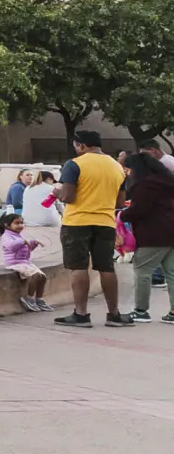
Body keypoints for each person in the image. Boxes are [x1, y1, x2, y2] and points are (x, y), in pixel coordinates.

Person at [53, 131, 132, 328]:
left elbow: (69, 197)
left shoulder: (74, 164)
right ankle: (113, 314)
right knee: (106, 267)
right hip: (105, 222)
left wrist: (58, 192)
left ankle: (81, 314)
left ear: (81, 145)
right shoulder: (117, 167)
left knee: (78, 267)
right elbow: (120, 201)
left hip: (77, 222)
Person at [119, 150, 174, 323]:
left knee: (142, 270)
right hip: (170, 230)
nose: (127, 173)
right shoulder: (166, 181)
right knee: (171, 273)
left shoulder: (145, 185)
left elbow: (140, 210)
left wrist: (122, 215)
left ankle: (141, 311)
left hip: (154, 233)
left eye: (128, 170)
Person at [1, 213, 51, 312]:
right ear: (7, 225)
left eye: (21, 223)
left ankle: (39, 299)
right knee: (36, 275)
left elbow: (26, 250)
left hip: (24, 262)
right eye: (17, 223)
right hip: (14, 263)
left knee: (42, 277)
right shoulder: (6, 236)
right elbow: (11, 246)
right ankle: (29, 298)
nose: (20, 225)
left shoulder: (17, 236)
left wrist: (33, 243)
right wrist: (23, 242)